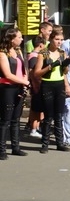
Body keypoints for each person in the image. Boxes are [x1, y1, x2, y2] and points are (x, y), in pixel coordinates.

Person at [34, 26, 70, 153]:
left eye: (61, 40)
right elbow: (36, 73)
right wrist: (50, 67)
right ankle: (44, 144)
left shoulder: (62, 53)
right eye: (57, 39)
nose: (59, 42)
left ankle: (59, 143)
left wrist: (66, 66)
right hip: (47, 85)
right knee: (48, 116)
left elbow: (64, 72)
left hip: (60, 84)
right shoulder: (43, 53)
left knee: (59, 114)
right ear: (51, 39)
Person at [0, 27, 31, 159]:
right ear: (11, 39)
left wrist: (25, 81)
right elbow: (7, 74)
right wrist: (25, 82)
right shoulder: (2, 53)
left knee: (16, 120)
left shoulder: (18, 51)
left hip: (19, 87)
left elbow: (23, 70)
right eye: (19, 37)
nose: (22, 39)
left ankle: (15, 147)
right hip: (7, 88)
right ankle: (1, 150)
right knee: (5, 120)